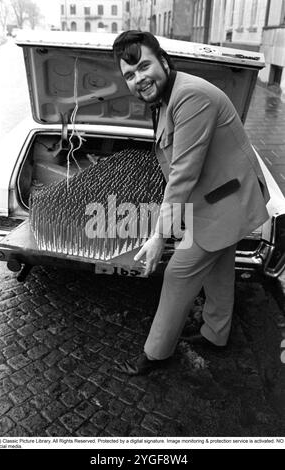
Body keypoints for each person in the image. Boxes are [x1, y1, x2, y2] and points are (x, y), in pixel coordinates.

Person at [112, 30, 270, 375]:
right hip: (220, 195)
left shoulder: (190, 96)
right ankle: (216, 333)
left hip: (226, 201)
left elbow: (183, 172)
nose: (138, 78)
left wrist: (158, 237)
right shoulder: (170, 96)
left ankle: (155, 353)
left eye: (143, 66)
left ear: (164, 61)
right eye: (129, 74)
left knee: (178, 273)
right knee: (219, 267)